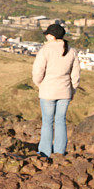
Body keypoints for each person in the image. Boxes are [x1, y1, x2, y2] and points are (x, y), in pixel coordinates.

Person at [31, 23, 80, 158]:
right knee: (60, 121)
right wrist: (72, 90)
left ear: (51, 36)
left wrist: (40, 84)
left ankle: (44, 153)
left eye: (47, 34)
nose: (46, 36)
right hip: (65, 91)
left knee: (47, 121)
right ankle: (59, 152)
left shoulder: (45, 50)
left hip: (47, 91)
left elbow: (37, 72)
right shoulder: (72, 51)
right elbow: (75, 75)